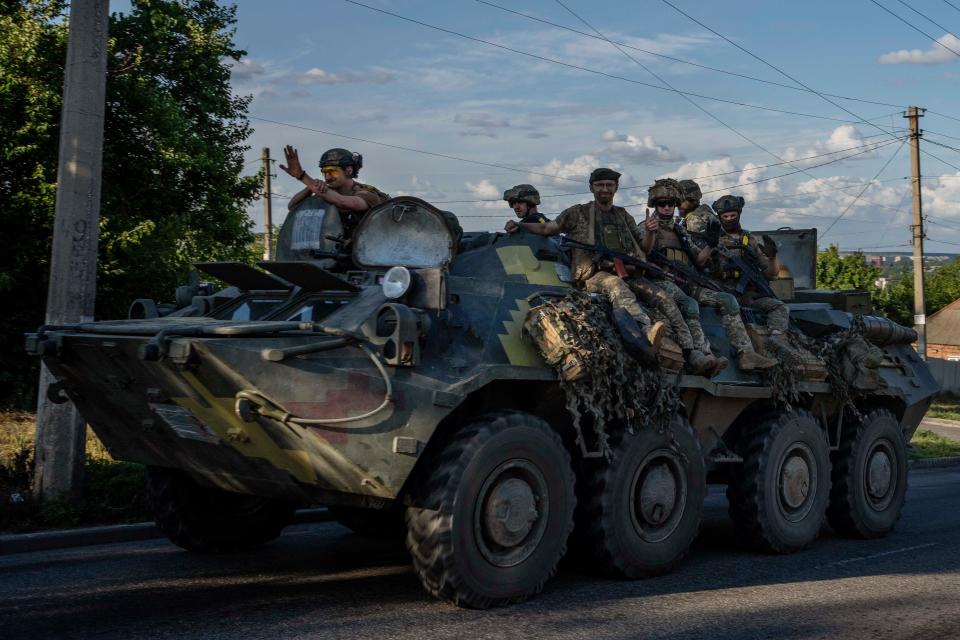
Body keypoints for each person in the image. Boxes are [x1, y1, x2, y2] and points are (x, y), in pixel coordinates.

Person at [505, 167, 666, 359]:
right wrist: (521, 225)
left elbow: (644, 249)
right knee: (615, 285)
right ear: (591, 188)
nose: (604, 189)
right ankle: (643, 330)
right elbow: (549, 227)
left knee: (665, 298)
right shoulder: (577, 213)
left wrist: (651, 232)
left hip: (626, 271)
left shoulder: (624, 216)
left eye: (609, 185)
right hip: (591, 275)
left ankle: (696, 353)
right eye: (599, 185)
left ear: (616, 188)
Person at [637, 179, 724, 375]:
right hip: (658, 280)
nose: (667, 208)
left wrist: (711, 244)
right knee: (688, 304)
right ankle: (694, 353)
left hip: (684, 280)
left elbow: (698, 259)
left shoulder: (679, 230)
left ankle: (706, 355)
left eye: (671, 204)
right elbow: (643, 252)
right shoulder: (646, 226)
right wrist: (651, 233)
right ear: (654, 205)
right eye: (662, 204)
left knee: (719, 300)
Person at [709, 194, 790, 333]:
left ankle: (777, 340)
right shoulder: (713, 239)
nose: (729, 219)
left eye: (733, 216)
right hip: (722, 294)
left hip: (748, 296)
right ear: (720, 217)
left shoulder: (750, 240)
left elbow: (771, 275)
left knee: (779, 307)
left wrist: (772, 257)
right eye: (725, 217)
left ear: (739, 215)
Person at [280, 146, 387, 236]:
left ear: (349, 170)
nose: (327, 177)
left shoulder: (366, 193)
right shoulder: (326, 192)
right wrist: (310, 187)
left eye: (332, 171)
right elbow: (293, 206)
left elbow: (342, 201)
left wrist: (302, 176)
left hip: (364, 255)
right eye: (324, 172)